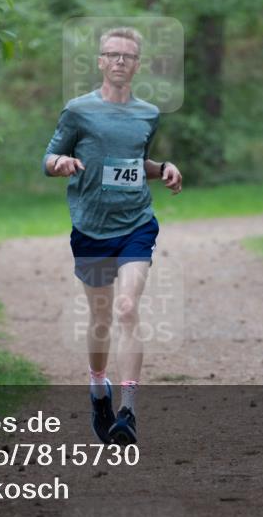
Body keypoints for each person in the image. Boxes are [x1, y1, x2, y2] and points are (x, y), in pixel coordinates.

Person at [42, 26, 183, 445]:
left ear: (138, 65)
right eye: (113, 55)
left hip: (136, 224)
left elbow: (136, 163)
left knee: (126, 308)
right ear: (101, 61)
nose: (120, 61)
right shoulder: (77, 111)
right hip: (90, 227)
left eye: (129, 56)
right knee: (101, 320)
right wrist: (61, 163)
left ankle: (128, 411)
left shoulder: (148, 114)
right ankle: (98, 386)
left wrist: (165, 169)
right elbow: (48, 157)